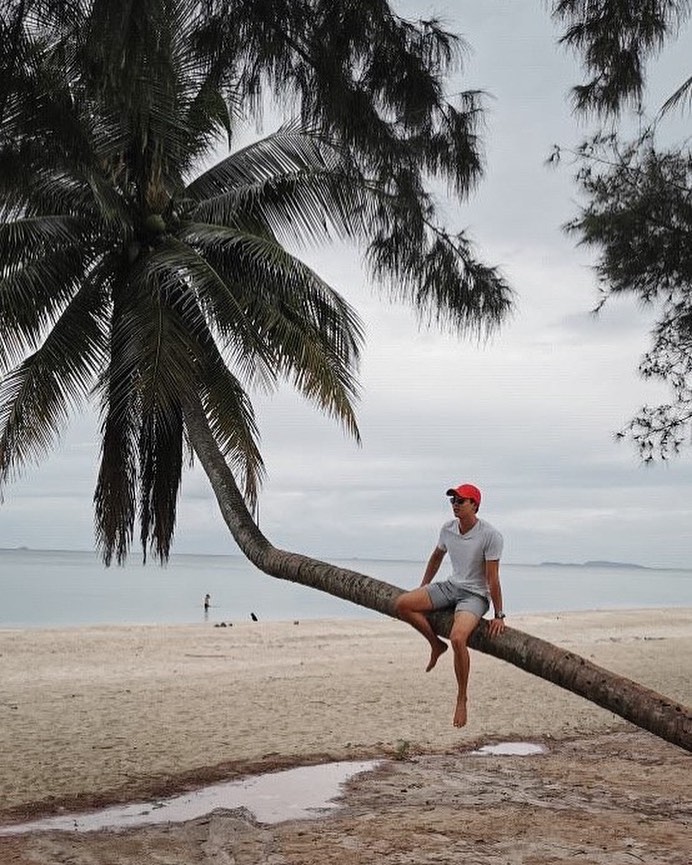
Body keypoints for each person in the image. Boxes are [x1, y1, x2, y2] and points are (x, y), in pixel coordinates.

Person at [394, 482, 506, 728]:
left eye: (461, 501)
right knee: (403, 604)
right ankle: (435, 644)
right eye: (453, 500)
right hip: (451, 587)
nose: (455, 505)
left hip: (474, 595)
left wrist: (499, 614)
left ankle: (462, 697)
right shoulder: (447, 529)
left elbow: (492, 578)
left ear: (474, 505)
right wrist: (423, 587)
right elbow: (436, 557)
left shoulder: (491, 535)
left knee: (458, 638)